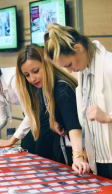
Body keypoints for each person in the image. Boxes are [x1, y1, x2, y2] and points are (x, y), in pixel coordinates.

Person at [44, 23, 112, 179]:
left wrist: (108, 117)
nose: (69, 71)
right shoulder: (84, 70)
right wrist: (82, 152)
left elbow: (103, 116)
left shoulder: (109, 65)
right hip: (100, 159)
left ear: (78, 48)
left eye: (69, 64)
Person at [0, 55, 58, 161]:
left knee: (41, 155)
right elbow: (1, 118)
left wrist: (10, 141)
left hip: (47, 114)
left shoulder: (12, 79)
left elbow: (31, 113)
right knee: (27, 150)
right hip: (33, 117)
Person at [16, 43, 90, 174]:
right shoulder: (41, 87)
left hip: (78, 150)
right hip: (65, 147)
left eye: (35, 71)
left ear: (46, 64)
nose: (32, 78)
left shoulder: (62, 88)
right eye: (26, 75)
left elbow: (74, 125)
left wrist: (78, 156)